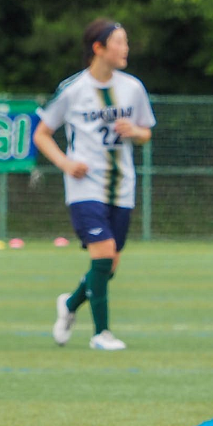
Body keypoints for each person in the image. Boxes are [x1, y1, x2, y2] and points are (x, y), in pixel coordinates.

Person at [33, 18, 155, 350]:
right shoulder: (73, 90)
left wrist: (135, 132)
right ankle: (101, 334)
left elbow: (146, 132)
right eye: (119, 41)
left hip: (122, 187)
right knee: (103, 255)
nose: (125, 48)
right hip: (85, 187)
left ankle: (70, 304)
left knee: (109, 264)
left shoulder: (133, 88)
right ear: (99, 48)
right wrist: (65, 163)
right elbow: (41, 134)